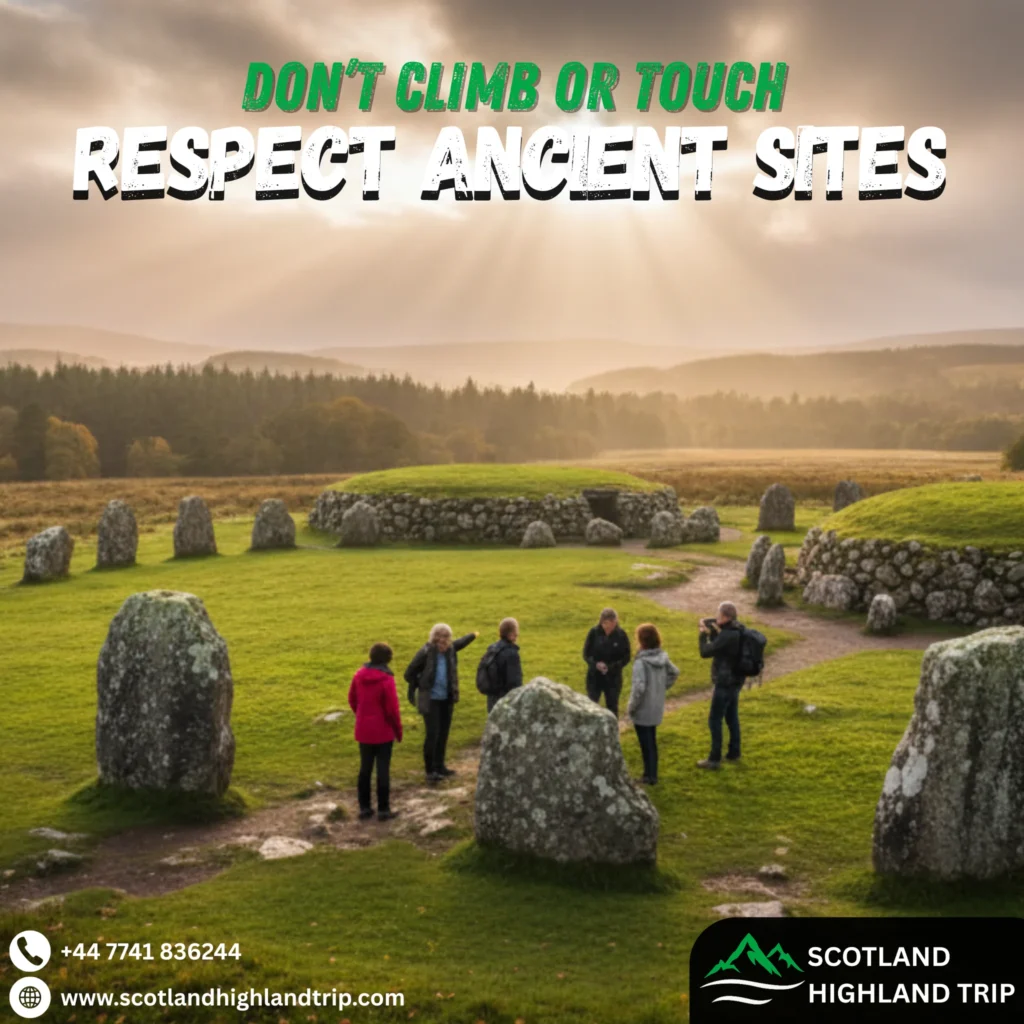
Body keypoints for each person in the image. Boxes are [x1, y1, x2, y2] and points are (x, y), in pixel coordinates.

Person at [404, 623, 478, 782]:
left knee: (443, 733)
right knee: (432, 734)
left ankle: (440, 766)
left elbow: (460, 643)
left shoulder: (450, 651)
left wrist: (473, 635)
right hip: (431, 699)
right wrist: (421, 682)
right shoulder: (425, 652)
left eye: (446, 637)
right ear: (434, 639)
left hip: (446, 698)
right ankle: (430, 771)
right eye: (440, 637)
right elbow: (409, 673)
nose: (443, 641)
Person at [347, 642, 403, 821]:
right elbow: (392, 710)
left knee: (365, 768)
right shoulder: (387, 679)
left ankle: (364, 807)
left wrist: (361, 715)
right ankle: (383, 809)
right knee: (383, 769)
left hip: (364, 729)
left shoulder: (358, 676)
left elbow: (352, 698)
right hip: (383, 731)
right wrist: (398, 730)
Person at [627, 623, 680, 785]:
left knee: (645, 743)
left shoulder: (640, 662)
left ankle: (649, 776)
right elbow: (674, 672)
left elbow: (639, 688)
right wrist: (661, 688)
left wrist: (631, 707)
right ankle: (651, 774)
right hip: (656, 706)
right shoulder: (662, 657)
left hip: (643, 709)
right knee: (652, 741)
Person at [697, 601, 744, 769]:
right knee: (731, 717)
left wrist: (703, 633)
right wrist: (711, 623)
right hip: (736, 681)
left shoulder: (727, 635)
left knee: (714, 720)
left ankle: (714, 759)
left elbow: (705, 652)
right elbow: (720, 644)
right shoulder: (738, 629)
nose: (716, 618)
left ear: (725, 617)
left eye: (718, 616)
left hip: (725, 682)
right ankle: (734, 751)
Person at [582, 607, 631, 717]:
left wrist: (611, 667)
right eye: (609, 623)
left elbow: (626, 657)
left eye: (614, 622)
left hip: (613, 678)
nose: (612, 625)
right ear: (603, 622)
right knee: (591, 705)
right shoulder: (594, 633)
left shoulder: (621, 635)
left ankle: (613, 732)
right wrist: (595, 664)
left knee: (612, 706)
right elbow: (586, 654)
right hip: (595, 677)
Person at [479, 617, 524, 714]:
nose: (518, 634)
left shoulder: (492, 649)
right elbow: (514, 682)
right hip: (506, 699)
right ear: (512, 635)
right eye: (516, 631)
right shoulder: (511, 653)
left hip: (491, 698)